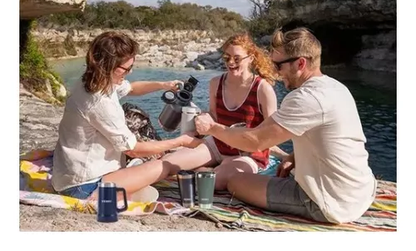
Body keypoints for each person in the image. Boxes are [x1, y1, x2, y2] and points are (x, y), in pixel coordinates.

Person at [195, 27, 377, 224]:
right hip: (361, 191)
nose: (275, 72)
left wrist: (212, 128)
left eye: (278, 65)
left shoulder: (305, 98)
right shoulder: (336, 87)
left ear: (300, 63)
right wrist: (293, 157)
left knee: (234, 181)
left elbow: (255, 141)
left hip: (327, 202)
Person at [51, 31, 203, 200]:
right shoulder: (99, 102)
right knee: (163, 166)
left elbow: (131, 88)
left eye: (132, 67)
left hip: (68, 176)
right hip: (84, 186)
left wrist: (163, 85)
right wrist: (181, 141)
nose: (129, 72)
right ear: (106, 66)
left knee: (151, 159)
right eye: (126, 68)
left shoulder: (92, 80)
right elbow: (134, 151)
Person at [156, 32, 283, 190]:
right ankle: (207, 168)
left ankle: (207, 170)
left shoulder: (263, 89)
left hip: (247, 154)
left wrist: (285, 155)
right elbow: (214, 115)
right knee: (166, 164)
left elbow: (271, 132)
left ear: (250, 57)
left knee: (211, 182)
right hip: (217, 145)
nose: (230, 62)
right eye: (226, 57)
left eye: (237, 58)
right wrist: (204, 117)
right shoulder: (216, 83)